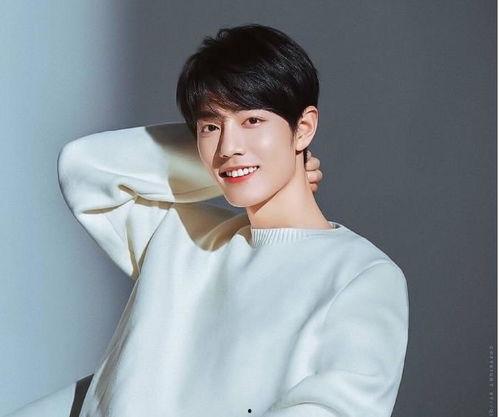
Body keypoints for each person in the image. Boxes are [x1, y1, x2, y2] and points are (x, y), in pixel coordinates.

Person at [7, 24, 409, 417]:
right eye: (211, 126)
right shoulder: (181, 237)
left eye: (252, 121)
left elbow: (334, 409)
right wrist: (243, 161)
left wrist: (264, 158)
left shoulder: (362, 275)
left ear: (303, 128)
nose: (228, 145)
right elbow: (84, 167)